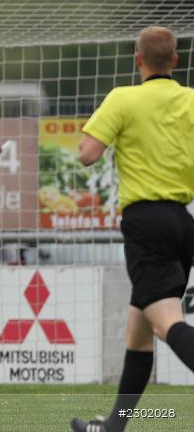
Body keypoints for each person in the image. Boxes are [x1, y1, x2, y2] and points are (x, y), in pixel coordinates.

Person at [71, 26, 194, 432]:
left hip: (146, 223)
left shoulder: (123, 98)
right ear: (176, 61)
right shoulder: (191, 100)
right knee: (139, 333)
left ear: (137, 59)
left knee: (166, 323)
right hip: (182, 221)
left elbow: (87, 155)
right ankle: (114, 427)